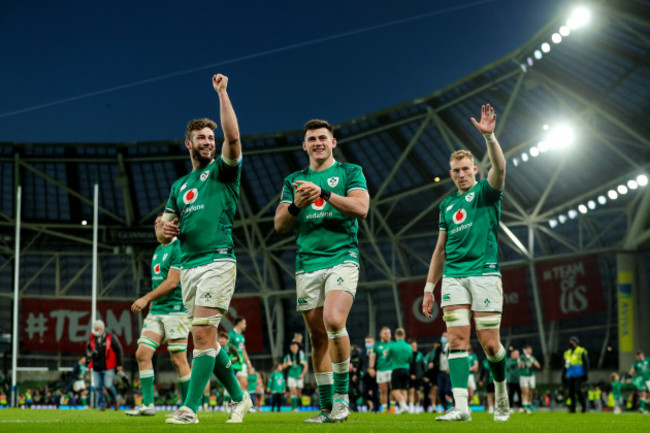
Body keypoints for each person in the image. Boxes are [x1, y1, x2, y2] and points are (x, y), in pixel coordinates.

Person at [162, 74, 252, 424]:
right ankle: (240, 399)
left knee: (200, 334)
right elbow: (164, 231)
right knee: (209, 341)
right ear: (188, 143)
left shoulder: (224, 172)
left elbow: (234, 137)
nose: (208, 142)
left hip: (218, 260)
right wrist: (161, 228)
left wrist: (223, 93)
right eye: (201, 137)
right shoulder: (179, 185)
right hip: (189, 266)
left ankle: (189, 409)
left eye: (210, 138)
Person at [274, 119, 369, 423]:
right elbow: (279, 224)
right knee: (317, 338)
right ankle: (326, 408)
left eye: (322, 138)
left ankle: (342, 399)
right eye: (312, 139)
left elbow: (361, 209)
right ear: (304, 146)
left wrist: (323, 194)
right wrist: (296, 206)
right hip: (307, 264)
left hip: (342, 256)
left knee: (333, 319)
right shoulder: (293, 180)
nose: (317, 142)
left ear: (333, 143)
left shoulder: (349, 172)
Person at [421, 103, 509, 422]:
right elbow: (439, 250)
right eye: (456, 171)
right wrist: (429, 288)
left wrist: (490, 137)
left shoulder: (486, 193)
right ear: (451, 174)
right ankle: (461, 407)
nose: (461, 174)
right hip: (454, 277)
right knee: (457, 339)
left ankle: (500, 392)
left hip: (484, 273)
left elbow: (500, 168)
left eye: (466, 169)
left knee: (490, 345)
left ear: (474, 170)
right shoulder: (446, 206)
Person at [126, 215, 191, 416]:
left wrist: (146, 298)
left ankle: (187, 407)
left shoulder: (178, 247)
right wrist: (152, 302)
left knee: (178, 359)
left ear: (173, 225)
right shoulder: (158, 250)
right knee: (142, 354)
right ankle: (148, 405)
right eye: (154, 223)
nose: (156, 224)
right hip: (157, 311)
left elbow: (172, 282)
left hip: (176, 310)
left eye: (161, 221)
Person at [86, 319, 123, 411]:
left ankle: (114, 400)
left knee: (108, 385)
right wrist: (90, 354)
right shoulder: (92, 339)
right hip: (96, 367)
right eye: (95, 329)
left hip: (108, 366)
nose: (96, 331)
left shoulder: (111, 337)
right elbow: (88, 349)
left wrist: (119, 364)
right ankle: (102, 405)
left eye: (97, 329)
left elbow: (119, 350)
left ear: (102, 329)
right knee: (98, 387)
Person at [386, 328, 412, 413]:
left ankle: (403, 406)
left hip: (396, 369)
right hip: (406, 369)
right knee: (404, 390)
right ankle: (403, 409)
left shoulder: (392, 346)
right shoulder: (408, 346)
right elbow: (410, 359)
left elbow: (387, 358)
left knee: (395, 390)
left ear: (395, 336)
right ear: (404, 336)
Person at [369, 327, 393, 413]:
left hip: (391, 369)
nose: (387, 335)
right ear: (381, 335)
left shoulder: (393, 344)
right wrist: (371, 368)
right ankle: (384, 409)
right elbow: (372, 357)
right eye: (385, 333)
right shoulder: (376, 345)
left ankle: (392, 409)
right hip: (381, 370)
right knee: (383, 390)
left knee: (392, 390)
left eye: (389, 333)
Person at [563, 336, 588, 413]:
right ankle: (573, 408)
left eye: (572, 341)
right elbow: (565, 365)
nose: (571, 343)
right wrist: (564, 374)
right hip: (570, 374)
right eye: (570, 341)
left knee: (577, 390)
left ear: (576, 342)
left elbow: (586, 363)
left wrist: (585, 373)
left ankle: (583, 406)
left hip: (579, 374)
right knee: (571, 391)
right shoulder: (567, 353)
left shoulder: (581, 351)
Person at [229, 317, 253, 393]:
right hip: (233, 363)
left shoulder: (242, 337)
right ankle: (230, 403)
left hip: (241, 363)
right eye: (244, 323)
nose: (245, 325)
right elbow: (226, 349)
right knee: (233, 385)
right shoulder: (231, 335)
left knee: (244, 384)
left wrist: (249, 364)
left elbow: (243, 351)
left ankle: (243, 403)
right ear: (239, 324)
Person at [284, 340, 308, 412]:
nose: (294, 348)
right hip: (291, 376)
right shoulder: (288, 356)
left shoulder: (301, 356)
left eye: (295, 347)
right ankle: (294, 408)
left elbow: (305, 366)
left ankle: (296, 406)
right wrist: (287, 364)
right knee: (293, 391)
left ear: (298, 348)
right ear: (291, 348)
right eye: (292, 347)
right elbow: (283, 366)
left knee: (298, 392)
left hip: (299, 376)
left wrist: (302, 374)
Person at [518, 344, 540, 413]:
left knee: (531, 390)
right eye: (528, 350)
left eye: (530, 350)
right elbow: (519, 366)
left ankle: (529, 405)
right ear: (525, 350)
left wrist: (532, 360)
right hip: (523, 376)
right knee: (525, 391)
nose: (530, 351)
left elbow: (538, 366)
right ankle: (525, 407)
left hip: (531, 376)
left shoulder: (532, 358)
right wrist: (525, 359)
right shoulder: (521, 358)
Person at [360, 335, 379, 412]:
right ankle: (375, 403)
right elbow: (360, 364)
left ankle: (376, 408)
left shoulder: (377, 352)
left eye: (369, 342)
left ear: (373, 342)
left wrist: (375, 370)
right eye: (366, 342)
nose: (367, 343)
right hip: (365, 376)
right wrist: (356, 374)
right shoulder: (363, 352)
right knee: (364, 392)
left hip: (375, 375)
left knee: (375, 392)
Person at [408, 338, 426, 413]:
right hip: (410, 376)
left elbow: (423, 367)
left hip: (419, 377)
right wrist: (410, 374)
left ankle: (417, 406)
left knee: (418, 392)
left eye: (415, 345)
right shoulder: (408, 355)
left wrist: (423, 375)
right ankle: (411, 407)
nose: (414, 347)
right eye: (413, 346)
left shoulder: (420, 355)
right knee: (411, 391)